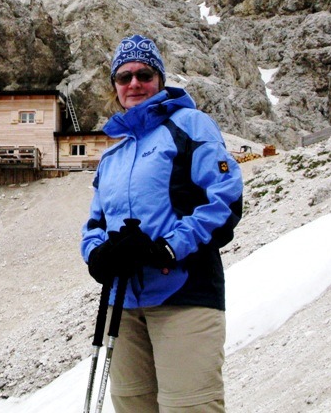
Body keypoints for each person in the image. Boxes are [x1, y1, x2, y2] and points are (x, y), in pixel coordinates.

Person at [81, 34, 243, 412]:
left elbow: (224, 197)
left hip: (184, 293)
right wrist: (98, 255)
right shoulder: (113, 155)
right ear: (115, 87)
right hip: (123, 302)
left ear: (160, 78)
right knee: (132, 407)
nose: (134, 83)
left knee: (189, 406)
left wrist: (166, 247)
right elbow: (94, 223)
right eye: (124, 77)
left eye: (144, 74)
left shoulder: (190, 125)